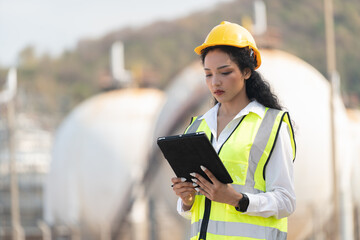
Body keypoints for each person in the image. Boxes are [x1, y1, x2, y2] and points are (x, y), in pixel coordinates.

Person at [171, 21, 296, 240]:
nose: (215, 82)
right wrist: (187, 199)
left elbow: (286, 201)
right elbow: (198, 212)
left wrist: (237, 199)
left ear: (247, 72)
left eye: (225, 72)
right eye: (208, 74)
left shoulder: (272, 125)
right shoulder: (197, 126)